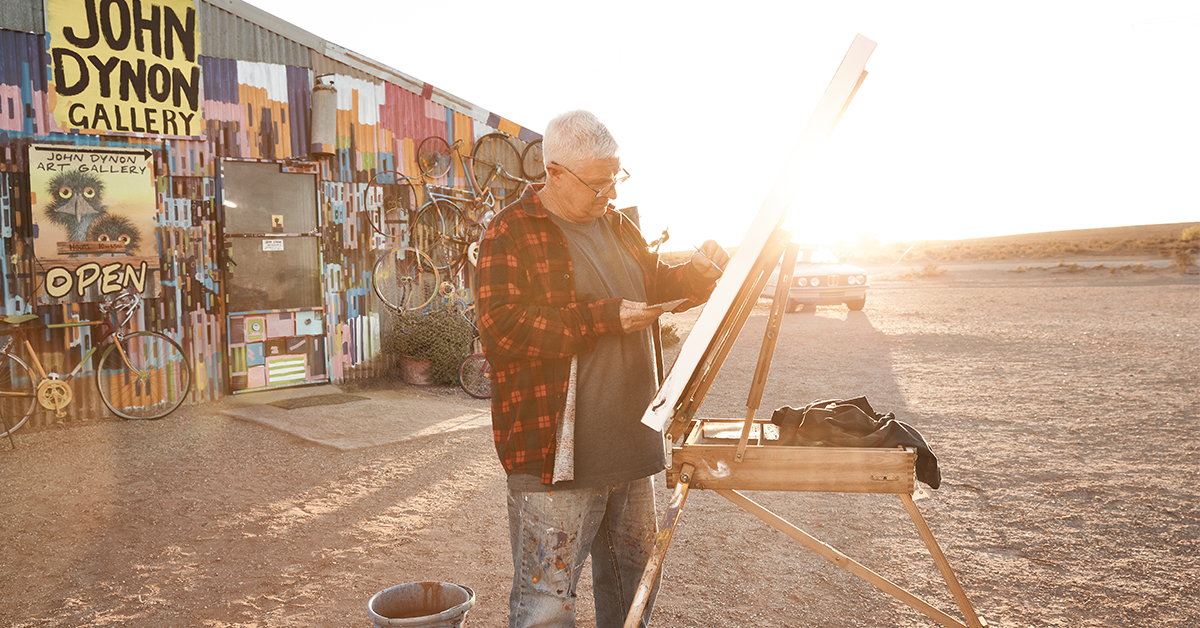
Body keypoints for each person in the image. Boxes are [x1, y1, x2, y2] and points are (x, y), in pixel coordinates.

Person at [476, 109, 729, 628]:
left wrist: (697, 276)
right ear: (554, 173)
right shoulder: (511, 231)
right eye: (597, 183)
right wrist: (600, 319)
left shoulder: (617, 224)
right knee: (546, 606)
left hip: (632, 453)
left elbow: (653, 282)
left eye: (616, 178)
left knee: (633, 598)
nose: (609, 194)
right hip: (556, 460)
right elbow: (501, 330)